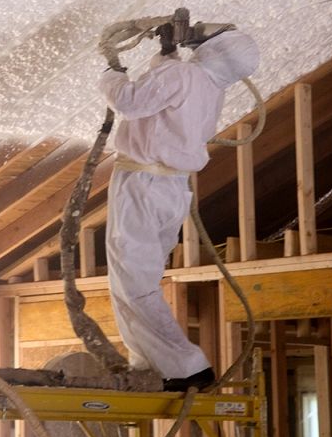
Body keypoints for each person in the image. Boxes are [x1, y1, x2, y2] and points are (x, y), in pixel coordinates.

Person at [98, 25, 260, 390]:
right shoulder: (209, 86)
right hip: (169, 189)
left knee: (133, 283)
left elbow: (130, 101)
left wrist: (110, 75)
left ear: (214, 49)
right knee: (136, 281)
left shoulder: (185, 75)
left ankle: (187, 367)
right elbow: (165, 90)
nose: (199, 38)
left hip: (142, 183)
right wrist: (165, 54)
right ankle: (151, 364)